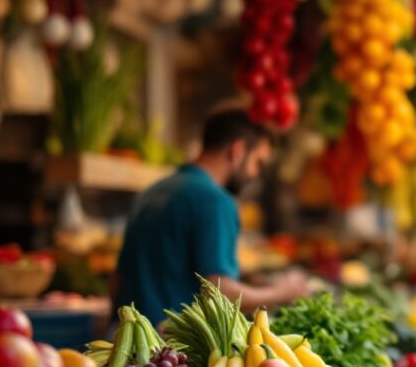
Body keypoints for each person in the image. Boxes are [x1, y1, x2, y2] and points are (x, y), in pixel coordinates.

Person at [114, 109, 310, 324]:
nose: (255, 175)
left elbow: (118, 279)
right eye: (258, 163)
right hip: (171, 349)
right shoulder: (216, 201)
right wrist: (282, 293)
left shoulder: (151, 192)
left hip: (130, 339)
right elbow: (221, 291)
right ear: (237, 151)